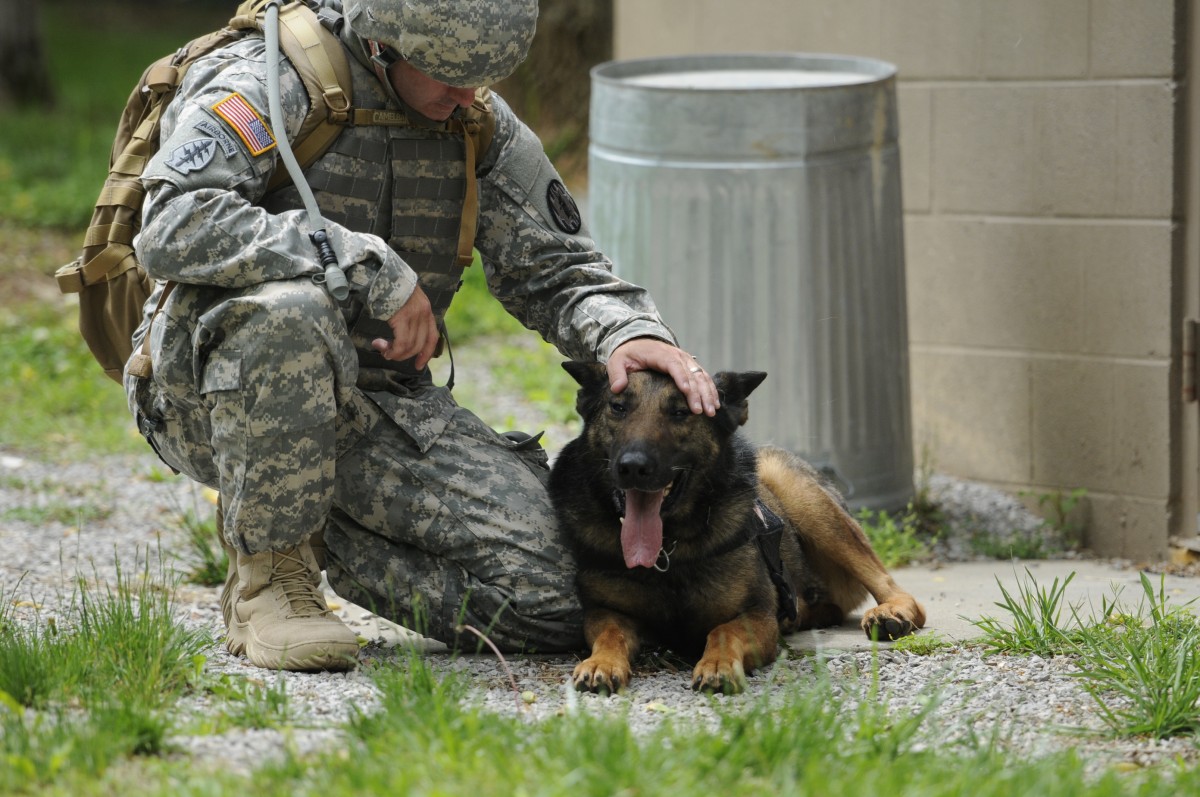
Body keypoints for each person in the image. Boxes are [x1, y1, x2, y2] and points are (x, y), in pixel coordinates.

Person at [127, 0, 719, 672]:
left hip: (377, 400)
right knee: (291, 310)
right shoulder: (273, 78)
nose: (467, 94)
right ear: (383, 43)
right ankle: (271, 579)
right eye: (445, 74)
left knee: (570, 595)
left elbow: (559, 268)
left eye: (480, 76)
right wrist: (365, 264)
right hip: (212, 387)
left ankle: (313, 521)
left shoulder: (472, 118)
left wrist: (625, 334)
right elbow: (173, 222)